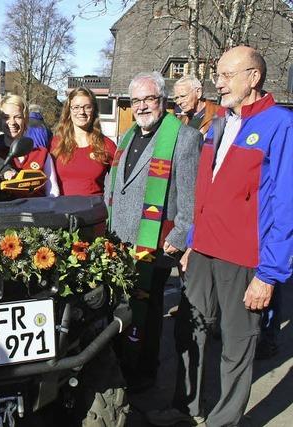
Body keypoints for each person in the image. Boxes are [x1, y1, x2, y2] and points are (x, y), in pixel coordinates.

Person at [147, 46, 293, 427]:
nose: (219, 82)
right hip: (203, 251)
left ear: (253, 77)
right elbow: (206, 192)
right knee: (188, 332)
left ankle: (223, 421)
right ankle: (185, 406)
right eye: (218, 74)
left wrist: (269, 274)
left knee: (236, 345)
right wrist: (192, 240)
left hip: (245, 258)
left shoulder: (280, 124)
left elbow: (285, 205)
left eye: (227, 75)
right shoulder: (217, 124)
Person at [103, 72, 200, 392]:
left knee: (150, 311)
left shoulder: (183, 138)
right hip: (121, 239)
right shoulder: (128, 136)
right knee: (122, 307)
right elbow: (117, 186)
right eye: (136, 101)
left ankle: (144, 374)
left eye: (149, 99)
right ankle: (123, 365)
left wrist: (181, 233)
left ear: (163, 100)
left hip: (155, 241)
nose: (143, 106)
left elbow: (190, 195)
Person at [50, 87, 117, 196]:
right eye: (76, 107)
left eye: (87, 107)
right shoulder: (55, 144)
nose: (81, 112)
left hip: (94, 210)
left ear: (94, 110)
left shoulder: (106, 145)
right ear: (69, 110)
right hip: (61, 210)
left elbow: (120, 182)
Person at [0, 94, 59, 196]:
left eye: (18, 117)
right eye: (6, 117)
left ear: (25, 119)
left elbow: (52, 191)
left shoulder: (42, 154)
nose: (12, 122)